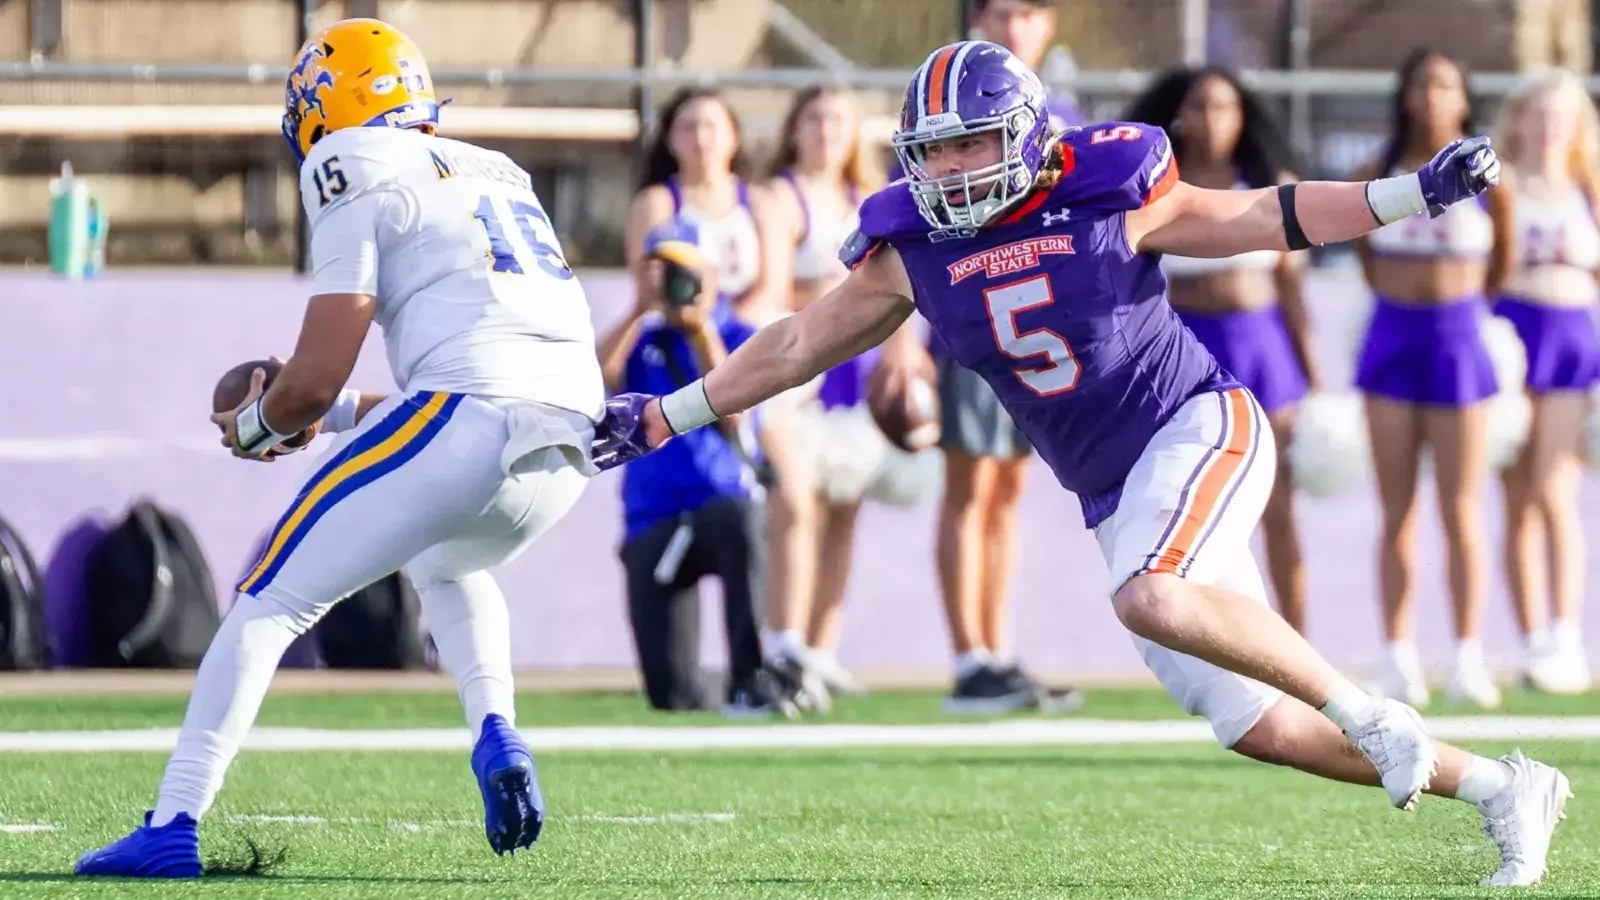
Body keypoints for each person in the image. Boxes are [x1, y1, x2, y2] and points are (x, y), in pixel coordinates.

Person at [593, 40, 1569, 888]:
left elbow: (1262, 216)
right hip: (1114, 490)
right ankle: (1504, 787)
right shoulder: (914, 243)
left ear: (1023, 131)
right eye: (933, 150)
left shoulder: (1107, 186)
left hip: (1197, 427)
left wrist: (1411, 192)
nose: (954, 166)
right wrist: (667, 416)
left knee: (1149, 596)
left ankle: (1371, 711)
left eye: (972, 141)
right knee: (1255, 726)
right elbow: (798, 343)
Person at [75, 18, 603, 875]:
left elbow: (315, 381)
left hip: (466, 417)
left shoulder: (348, 161)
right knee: (446, 562)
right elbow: (451, 381)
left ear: (327, 103)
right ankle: (496, 730)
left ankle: (172, 822)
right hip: (564, 439)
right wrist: (336, 412)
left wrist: (258, 424)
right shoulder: (497, 169)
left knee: (269, 599)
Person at [925, 0, 1087, 713]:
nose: (1017, 25)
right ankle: (969, 656)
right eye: (1003, 10)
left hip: (1033, 312)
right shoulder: (951, 91)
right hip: (971, 304)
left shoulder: (1062, 96)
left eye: (1032, 10)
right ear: (978, 19)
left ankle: (996, 647)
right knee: (969, 483)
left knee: (1008, 491)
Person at [1124, 66, 1317, 634]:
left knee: (1278, 507)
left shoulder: (1266, 181)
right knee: (1186, 508)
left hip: (1262, 351)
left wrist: (1317, 381)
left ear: (1243, 115)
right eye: (1201, 107)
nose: (1212, 120)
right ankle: (1208, 641)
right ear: (1180, 114)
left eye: (1225, 107)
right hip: (1181, 351)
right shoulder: (1156, 186)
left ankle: (1297, 638)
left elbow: (1294, 293)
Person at [1354, 48, 1513, 709]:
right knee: (1396, 510)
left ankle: (1469, 657)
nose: (1431, 95)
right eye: (1419, 82)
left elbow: (1502, 263)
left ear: (1464, 97)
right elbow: (1362, 251)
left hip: (1459, 344)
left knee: (1461, 508)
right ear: (1404, 95)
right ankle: (1397, 657)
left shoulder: (1491, 181)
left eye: (1445, 83)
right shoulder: (1378, 172)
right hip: (1393, 340)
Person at [597, 219, 794, 716]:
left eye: (684, 270)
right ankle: (713, 687)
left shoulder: (735, 333)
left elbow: (737, 412)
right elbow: (595, 383)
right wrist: (640, 309)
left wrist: (702, 327)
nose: (675, 282)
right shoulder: (640, 338)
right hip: (653, 517)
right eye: (662, 270)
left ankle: (752, 677)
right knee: (672, 696)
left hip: (719, 504)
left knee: (745, 520)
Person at [759, 86, 882, 701]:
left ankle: (820, 647)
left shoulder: (869, 198)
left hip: (853, 374)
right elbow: (774, 290)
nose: (827, 131)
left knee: (844, 511)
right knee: (795, 506)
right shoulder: (780, 197)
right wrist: (844, 303)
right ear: (795, 126)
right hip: (800, 372)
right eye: (814, 117)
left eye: (839, 119)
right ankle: (781, 643)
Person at [1491, 68, 1599, 693]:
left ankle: (1566, 635)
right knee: (1517, 499)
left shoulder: (1589, 188)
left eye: (1565, 116)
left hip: (1571, 342)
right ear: (1521, 118)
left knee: (1556, 491)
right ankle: (1531, 639)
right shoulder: (1497, 185)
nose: (1552, 127)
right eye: (1542, 113)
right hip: (1512, 339)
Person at [627, 88, 791, 325]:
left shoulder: (761, 202)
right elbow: (648, 284)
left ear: (734, 136)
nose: (700, 137)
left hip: (748, 330)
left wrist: (730, 331)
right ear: (670, 139)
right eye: (689, 127)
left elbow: (772, 286)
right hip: (675, 328)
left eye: (711, 126)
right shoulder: (655, 202)